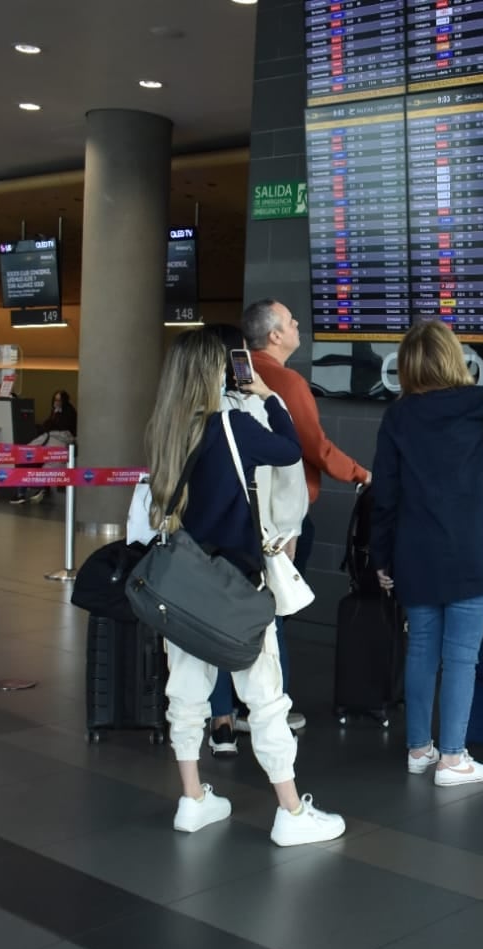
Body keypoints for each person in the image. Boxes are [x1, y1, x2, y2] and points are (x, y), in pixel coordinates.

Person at [144, 328, 344, 845]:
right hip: (236, 587)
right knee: (267, 698)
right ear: (217, 371)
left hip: (182, 586)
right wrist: (269, 396)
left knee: (185, 695)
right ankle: (291, 813)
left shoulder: (166, 430)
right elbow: (287, 449)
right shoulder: (230, 425)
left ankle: (192, 800)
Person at [371, 320, 483, 786]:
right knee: (461, 656)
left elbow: (386, 493)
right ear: (453, 358)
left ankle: (420, 749)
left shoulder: (398, 416)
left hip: (415, 552)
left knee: (421, 649)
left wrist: (381, 557)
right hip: (475, 550)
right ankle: (453, 759)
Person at [202, 324, 309, 757]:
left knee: (208, 629)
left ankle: (220, 720)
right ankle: (269, 716)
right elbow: (289, 465)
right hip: (253, 537)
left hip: (201, 544)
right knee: (265, 625)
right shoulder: (253, 413)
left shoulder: (189, 414)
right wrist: (289, 531)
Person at [241, 299, 369, 571]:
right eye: (290, 321)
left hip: (240, 505)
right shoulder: (288, 382)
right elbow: (315, 446)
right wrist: (362, 474)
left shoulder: (236, 372)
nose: (297, 324)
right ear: (274, 336)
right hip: (281, 515)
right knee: (280, 602)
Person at [11, 390, 78, 504]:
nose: (56, 403)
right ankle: (37, 490)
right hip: (50, 449)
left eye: (58, 400)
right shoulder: (57, 415)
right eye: (55, 400)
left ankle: (23, 493)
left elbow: (45, 431)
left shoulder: (61, 419)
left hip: (51, 449)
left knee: (27, 463)